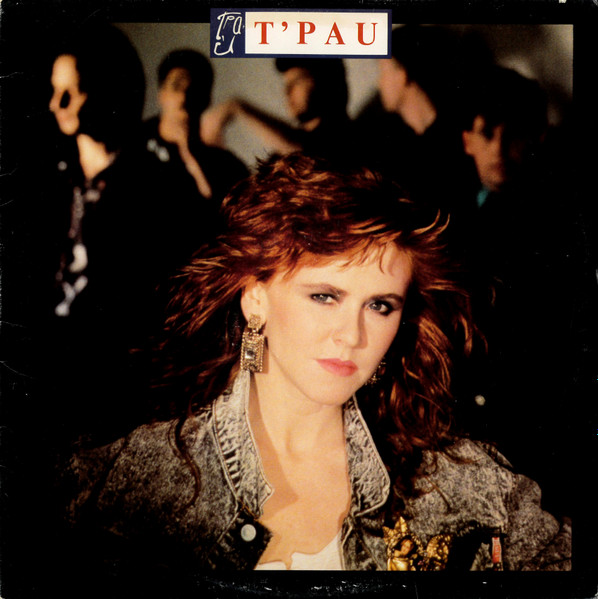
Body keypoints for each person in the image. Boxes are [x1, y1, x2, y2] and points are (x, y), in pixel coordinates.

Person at [57, 154, 570, 580]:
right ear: (255, 298)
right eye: (325, 296)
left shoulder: (468, 486)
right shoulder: (127, 483)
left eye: (380, 306)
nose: (352, 335)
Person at [143, 49, 248, 209]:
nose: (184, 97)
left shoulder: (226, 166)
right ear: (161, 94)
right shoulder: (130, 140)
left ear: (207, 99)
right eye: (176, 86)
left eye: (194, 89)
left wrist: (189, 155)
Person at [201, 58, 356, 160]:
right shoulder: (282, 155)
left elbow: (306, 152)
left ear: (327, 82)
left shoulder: (347, 140)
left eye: (297, 81)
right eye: (286, 84)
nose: (287, 91)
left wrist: (237, 108)